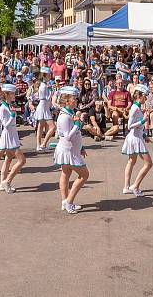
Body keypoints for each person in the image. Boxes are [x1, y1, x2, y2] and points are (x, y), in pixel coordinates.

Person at [53, 86, 88, 214]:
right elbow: (68, 136)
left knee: (66, 173)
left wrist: (81, 147)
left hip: (72, 150)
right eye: (74, 98)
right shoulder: (64, 117)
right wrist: (78, 124)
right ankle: (68, 201)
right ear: (67, 100)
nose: (76, 100)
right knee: (84, 175)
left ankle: (65, 201)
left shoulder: (69, 113)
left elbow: (74, 135)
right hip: (68, 151)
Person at [122, 84, 153, 197]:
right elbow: (129, 126)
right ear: (139, 96)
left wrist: (144, 135)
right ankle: (135, 186)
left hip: (136, 137)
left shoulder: (137, 107)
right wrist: (143, 121)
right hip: (135, 139)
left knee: (131, 161)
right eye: (145, 96)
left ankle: (126, 187)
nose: (146, 98)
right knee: (149, 163)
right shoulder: (135, 108)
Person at [0, 84, 26, 194]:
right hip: (9, 135)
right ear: (6, 94)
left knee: (8, 159)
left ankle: (2, 183)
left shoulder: (7, 105)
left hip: (12, 134)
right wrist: (12, 116)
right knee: (22, 161)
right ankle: (7, 182)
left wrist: (13, 115)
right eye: (12, 93)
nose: (14, 95)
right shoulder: (3, 108)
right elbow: (5, 125)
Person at [33, 67, 54, 151]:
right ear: (45, 75)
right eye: (49, 75)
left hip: (44, 106)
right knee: (51, 127)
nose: (50, 76)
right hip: (43, 106)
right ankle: (42, 144)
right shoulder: (44, 85)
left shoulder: (44, 85)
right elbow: (44, 97)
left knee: (41, 127)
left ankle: (41, 145)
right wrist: (51, 92)